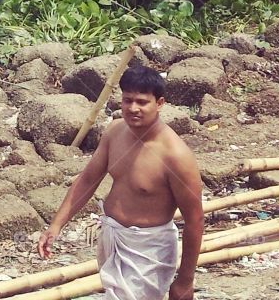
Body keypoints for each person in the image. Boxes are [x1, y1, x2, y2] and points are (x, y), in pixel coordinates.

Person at [38, 65, 203, 300]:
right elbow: (87, 180)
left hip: (149, 248)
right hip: (112, 236)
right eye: (127, 100)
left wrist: (185, 279)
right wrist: (55, 226)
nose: (133, 108)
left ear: (160, 103)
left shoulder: (175, 155)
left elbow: (195, 220)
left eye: (142, 102)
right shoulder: (115, 132)